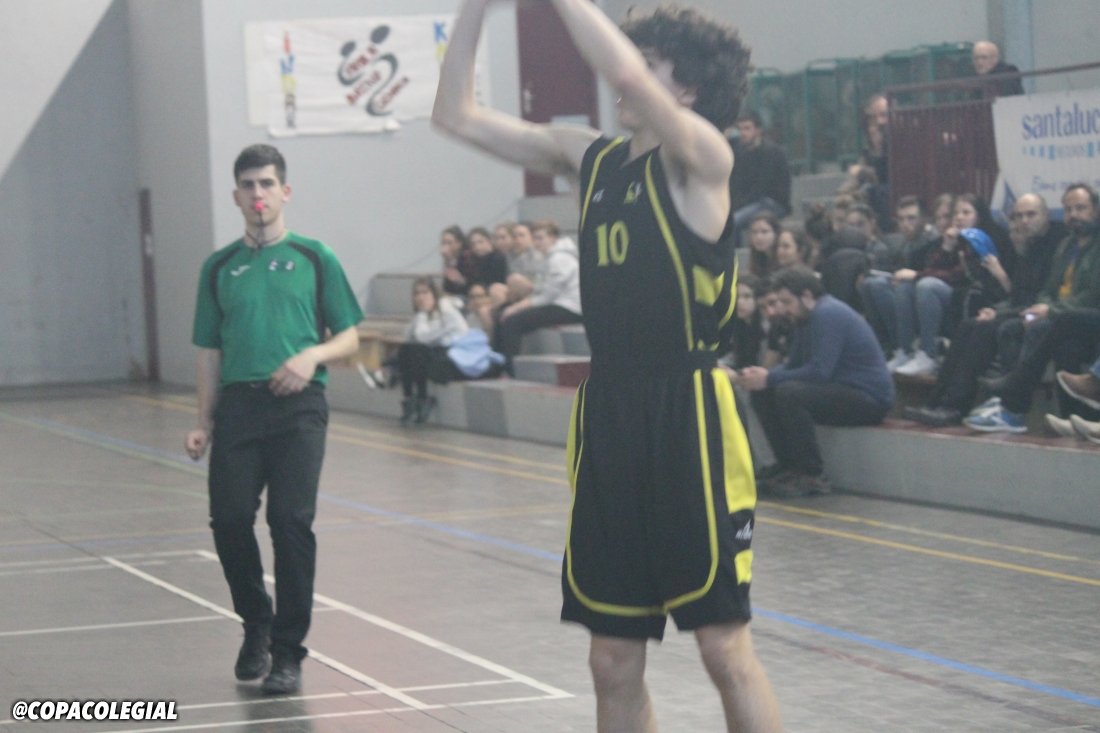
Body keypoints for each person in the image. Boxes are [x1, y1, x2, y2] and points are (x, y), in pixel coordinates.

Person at [433, 2, 783, 731]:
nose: (627, 73)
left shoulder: (704, 158)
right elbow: (454, 116)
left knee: (723, 646)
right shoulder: (589, 158)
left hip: (688, 409)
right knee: (611, 659)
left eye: (650, 61)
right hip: (611, 410)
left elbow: (620, 70)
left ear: (686, 88)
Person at [185, 144, 364, 694]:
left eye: (266, 183)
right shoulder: (219, 267)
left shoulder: (315, 257)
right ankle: (256, 624)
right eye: (248, 185)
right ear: (236, 196)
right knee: (230, 519)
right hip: (239, 408)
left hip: (298, 408)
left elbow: (351, 337)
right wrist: (204, 421)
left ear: (284, 191)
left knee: (290, 522)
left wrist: (312, 356)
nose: (257, 194)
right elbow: (209, 352)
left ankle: (288, 652)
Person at [905, 194, 1064, 425]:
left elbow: (1036, 297)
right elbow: (1018, 295)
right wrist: (997, 310)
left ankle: (954, 407)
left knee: (986, 328)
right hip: (1023, 309)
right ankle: (934, 403)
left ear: (1046, 215)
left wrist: (1002, 311)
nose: (1024, 221)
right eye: (1019, 216)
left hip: (1041, 313)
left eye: (1031, 214)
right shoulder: (1029, 248)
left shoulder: (1057, 244)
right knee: (969, 324)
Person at [740, 267, 894, 495]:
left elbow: (820, 372)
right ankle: (789, 465)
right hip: (842, 389)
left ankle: (811, 474)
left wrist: (770, 377)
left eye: (787, 302)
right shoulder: (806, 318)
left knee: (789, 393)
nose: (783, 309)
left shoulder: (827, 314)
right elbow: (795, 365)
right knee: (764, 391)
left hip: (869, 398)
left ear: (807, 296)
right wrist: (759, 375)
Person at [967, 184, 1100, 433]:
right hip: (1063, 319)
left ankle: (1014, 398)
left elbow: (1092, 297)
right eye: (1069, 209)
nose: (1074, 215)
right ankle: (1072, 419)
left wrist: (1051, 311)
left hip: (1085, 318)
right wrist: (1042, 307)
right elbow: (1048, 288)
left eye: (1081, 208)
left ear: (1095, 210)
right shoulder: (1066, 245)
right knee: (1015, 328)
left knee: (1049, 325)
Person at [493, 220, 584, 373]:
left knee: (512, 322)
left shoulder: (560, 259)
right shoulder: (548, 257)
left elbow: (548, 296)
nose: (536, 243)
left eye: (540, 238)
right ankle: (499, 363)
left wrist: (517, 307)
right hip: (558, 304)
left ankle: (511, 370)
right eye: (534, 238)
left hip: (570, 308)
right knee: (503, 313)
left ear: (553, 237)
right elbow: (541, 291)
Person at [397, 277, 470, 423]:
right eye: (417, 293)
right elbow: (408, 336)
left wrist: (422, 314)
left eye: (425, 292)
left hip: (454, 356)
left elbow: (423, 337)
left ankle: (423, 399)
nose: (421, 297)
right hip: (436, 352)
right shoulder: (425, 314)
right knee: (406, 350)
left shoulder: (445, 310)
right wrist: (420, 315)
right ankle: (409, 398)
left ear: (434, 294)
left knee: (417, 351)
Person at [727, 108, 791, 232]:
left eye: (747, 128)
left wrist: (737, 206)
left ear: (758, 130)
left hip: (772, 202)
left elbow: (761, 187)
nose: (742, 133)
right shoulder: (738, 151)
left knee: (733, 221)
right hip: (749, 203)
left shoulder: (771, 153)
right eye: (739, 129)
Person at [440, 225, 476, 297]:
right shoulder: (451, 261)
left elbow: (471, 282)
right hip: (455, 295)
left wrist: (460, 280)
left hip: (468, 295)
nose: (446, 246)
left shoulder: (467, 257)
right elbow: (447, 287)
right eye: (444, 243)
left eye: (449, 243)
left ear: (459, 243)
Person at [747, 211, 781, 277]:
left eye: (764, 232)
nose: (758, 237)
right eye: (754, 232)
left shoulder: (783, 263)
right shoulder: (757, 262)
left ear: (776, 234)